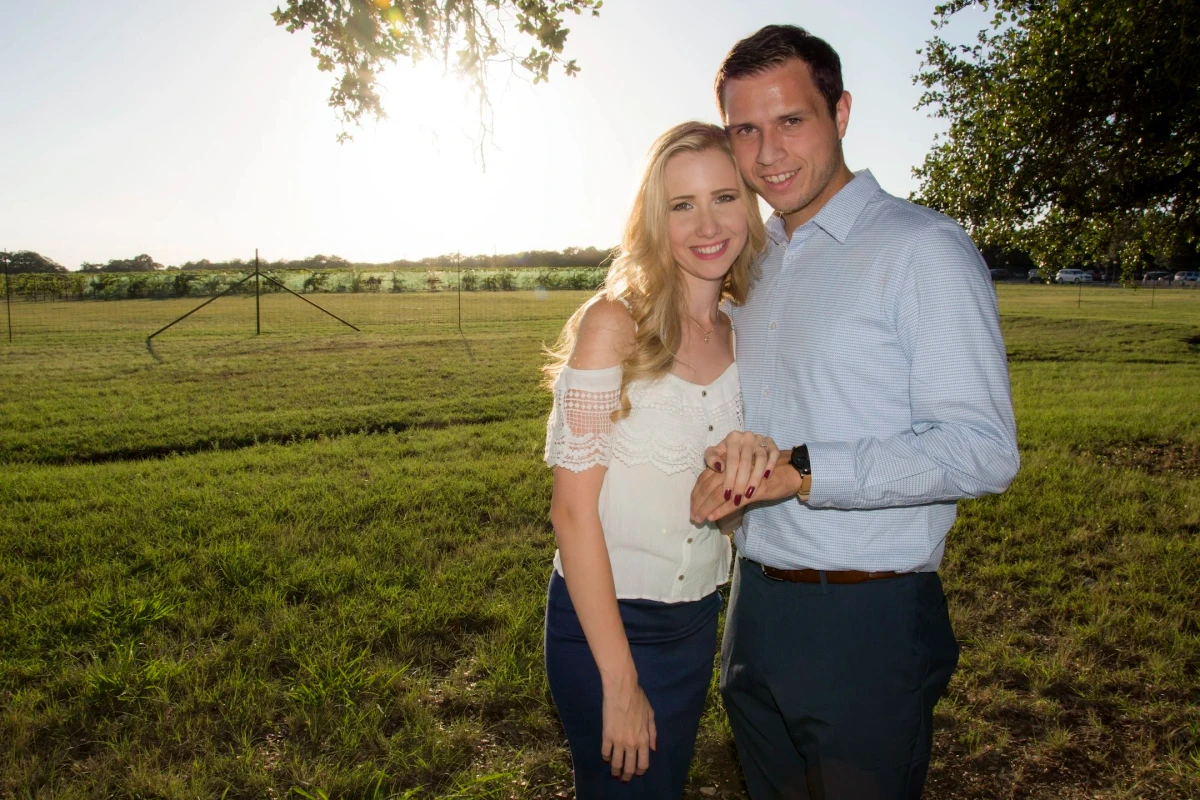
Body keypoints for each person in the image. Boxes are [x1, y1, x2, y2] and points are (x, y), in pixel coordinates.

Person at [688, 25, 1020, 800]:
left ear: (840, 113)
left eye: (791, 120)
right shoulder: (756, 261)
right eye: (746, 129)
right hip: (755, 606)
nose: (768, 152)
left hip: (867, 616)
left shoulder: (921, 248)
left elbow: (982, 450)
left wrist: (803, 471)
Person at [542, 121, 767, 797]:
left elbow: (726, 515)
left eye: (725, 197)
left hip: (697, 623)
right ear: (654, 218)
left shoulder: (746, 333)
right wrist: (620, 683)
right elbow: (571, 513)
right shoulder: (614, 325)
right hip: (607, 630)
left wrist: (739, 483)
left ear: (749, 208)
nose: (707, 224)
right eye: (681, 204)